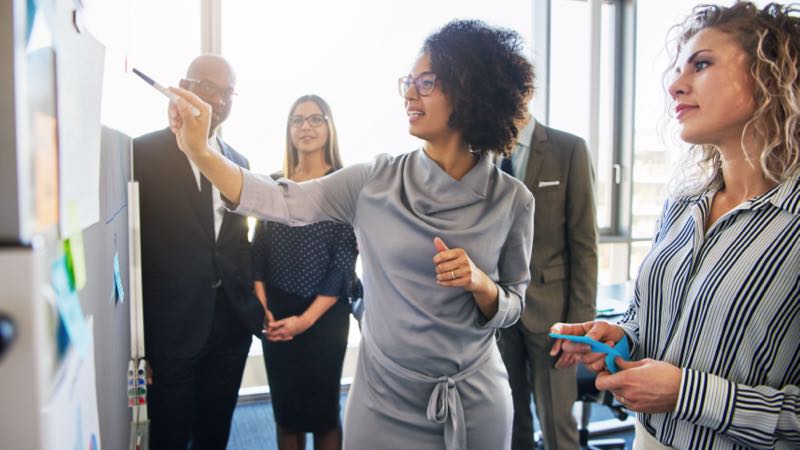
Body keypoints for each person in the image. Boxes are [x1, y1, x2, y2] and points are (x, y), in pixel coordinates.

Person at [168, 20, 535, 450]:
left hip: (474, 401)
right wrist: (200, 151)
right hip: (383, 401)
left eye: (427, 82)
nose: (410, 94)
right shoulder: (372, 181)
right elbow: (276, 199)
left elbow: (513, 305)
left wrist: (481, 284)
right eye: (408, 82)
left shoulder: (513, 200)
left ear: (470, 91)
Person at [550, 2, 800, 449]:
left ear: (771, 75)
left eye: (701, 64)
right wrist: (622, 338)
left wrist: (688, 394)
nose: (675, 85)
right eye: (679, 69)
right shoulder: (683, 204)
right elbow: (648, 319)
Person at [133, 54, 263, 450]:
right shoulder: (142, 153)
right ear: (183, 87)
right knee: (169, 434)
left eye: (227, 92)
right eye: (208, 87)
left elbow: (236, 242)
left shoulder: (238, 163)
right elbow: (133, 250)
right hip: (170, 328)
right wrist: (140, 344)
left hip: (230, 324)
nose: (219, 100)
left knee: (215, 431)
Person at [251, 94, 358, 450]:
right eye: (297, 120)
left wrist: (306, 321)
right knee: (286, 414)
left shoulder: (345, 186)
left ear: (329, 127)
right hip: (276, 314)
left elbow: (344, 262)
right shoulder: (272, 184)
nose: (306, 127)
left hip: (325, 316)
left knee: (325, 414)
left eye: (315, 118)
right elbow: (258, 251)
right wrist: (263, 310)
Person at [496, 98, 598, 449]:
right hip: (497, 311)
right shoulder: (480, 150)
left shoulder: (568, 149)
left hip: (553, 314)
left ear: (523, 92)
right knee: (509, 422)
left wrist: (579, 329)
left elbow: (584, 245)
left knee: (558, 426)